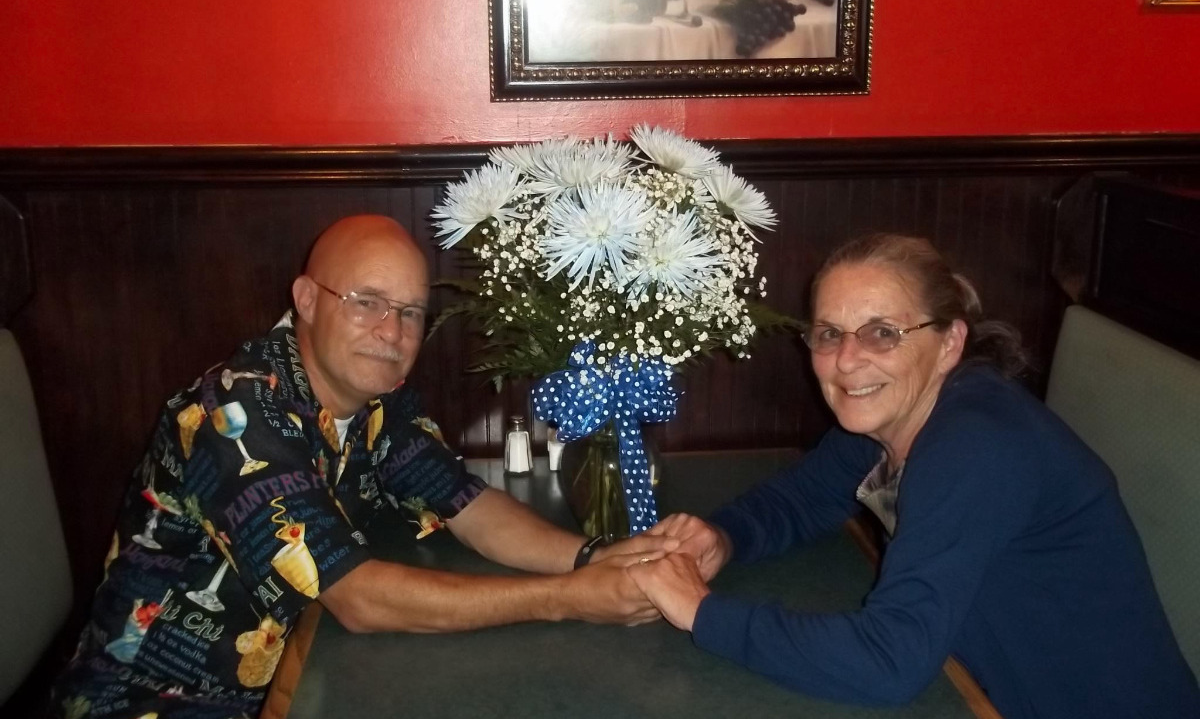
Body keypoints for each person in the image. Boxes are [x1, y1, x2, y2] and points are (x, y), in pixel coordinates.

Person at [52, 215, 674, 719]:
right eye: (366, 302)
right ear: (306, 300)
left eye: (410, 312)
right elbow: (357, 598)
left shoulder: (381, 402)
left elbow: (469, 505)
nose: (391, 331)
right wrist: (570, 598)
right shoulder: (233, 415)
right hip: (156, 702)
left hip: (301, 678)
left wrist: (600, 558)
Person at [629, 233, 1200, 719]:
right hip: (980, 683)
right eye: (829, 333)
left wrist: (701, 611)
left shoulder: (977, 445)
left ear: (949, 343)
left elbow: (888, 662)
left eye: (882, 332)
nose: (847, 360)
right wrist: (723, 537)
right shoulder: (888, 418)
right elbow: (803, 498)